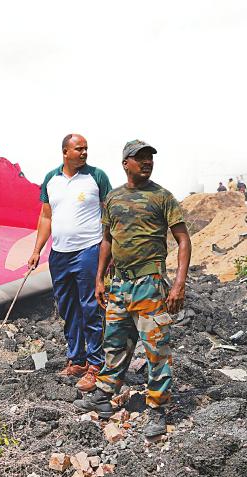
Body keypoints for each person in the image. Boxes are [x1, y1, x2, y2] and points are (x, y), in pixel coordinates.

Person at [73, 140, 191, 439]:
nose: (147, 162)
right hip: (119, 284)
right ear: (126, 163)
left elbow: (183, 240)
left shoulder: (162, 197)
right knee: (114, 342)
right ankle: (103, 396)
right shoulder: (113, 198)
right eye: (140, 158)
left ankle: (157, 409)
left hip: (150, 284)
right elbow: (107, 240)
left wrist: (178, 284)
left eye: (150, 157)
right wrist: (100, 279)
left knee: (156, 349)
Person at [28, 133, 112, 392]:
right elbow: (46, 217)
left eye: (86, 148)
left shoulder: (96, 177)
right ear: (65, 152)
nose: (84, 153)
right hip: (60, 253)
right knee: (67, 308)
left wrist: (109, 252)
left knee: (90, 307)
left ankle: (96, 364)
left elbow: (109, 213)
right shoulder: (51, 179)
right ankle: (77, 360)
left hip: (88, 250)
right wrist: (37, 250)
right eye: (79, 149)